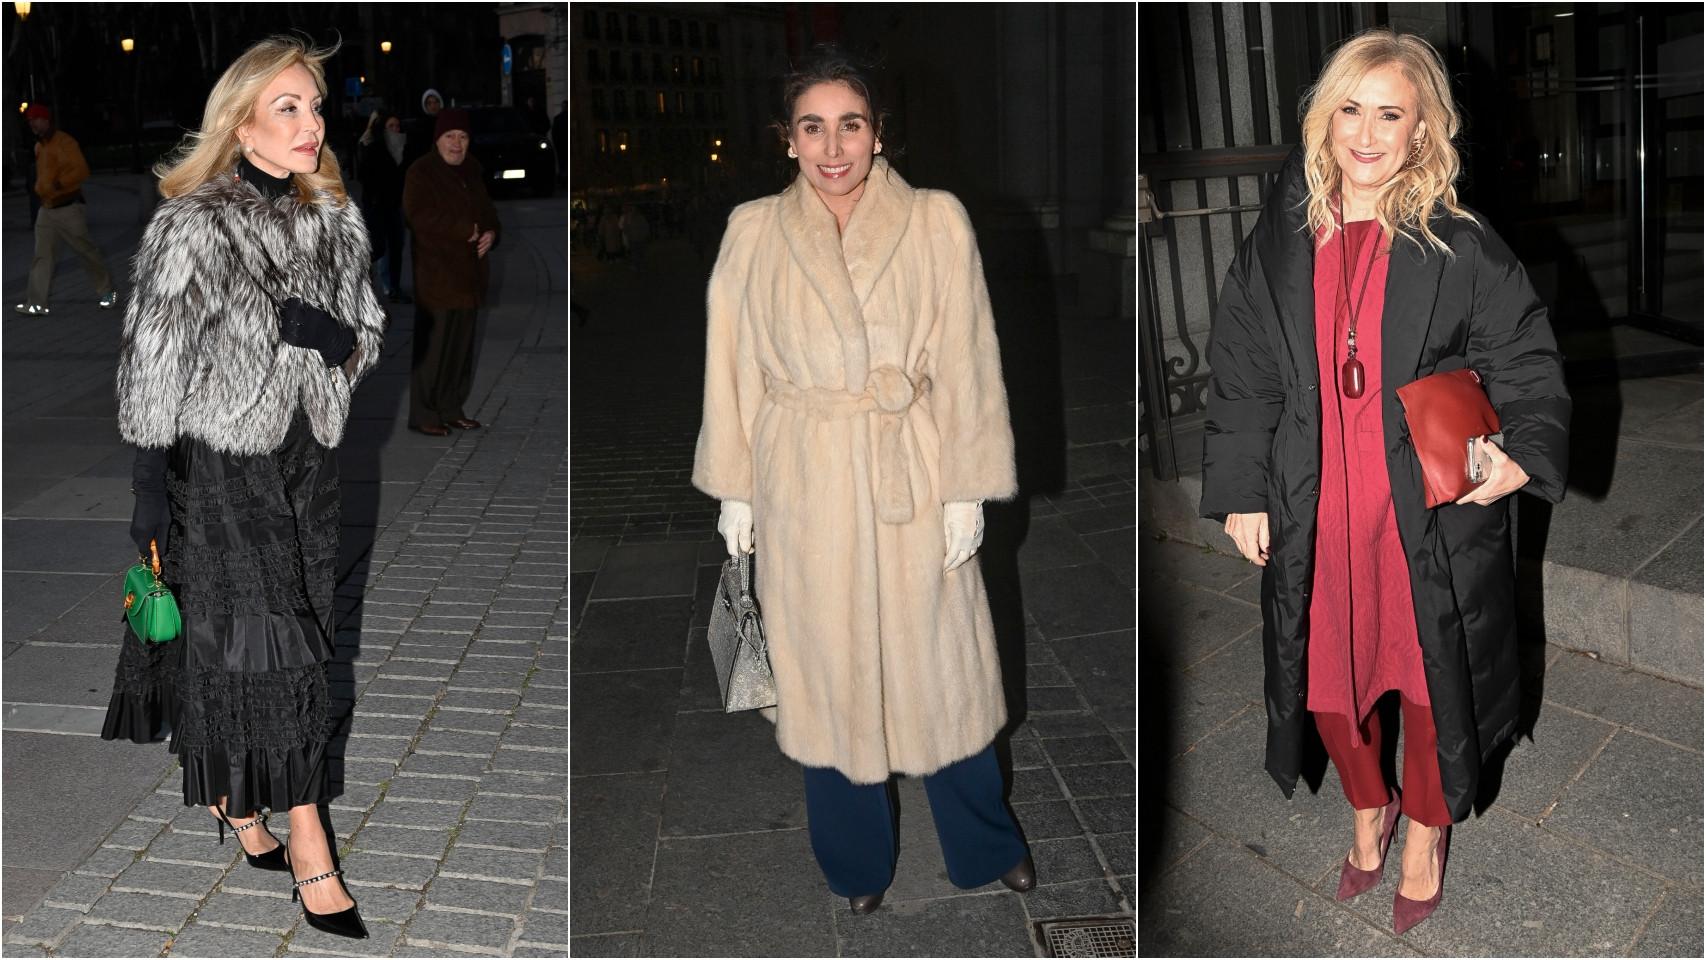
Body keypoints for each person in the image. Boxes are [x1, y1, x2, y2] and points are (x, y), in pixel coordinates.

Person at [1198, 29, 1570, 934]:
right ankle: (1369, 806)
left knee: (1433, 673)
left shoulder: (1462, 244)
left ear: (1423, 129)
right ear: (1324, 120)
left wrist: (1522, 449)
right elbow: (1242, 370)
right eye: (1350, 111)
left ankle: (1425, 834)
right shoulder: (1279, 242)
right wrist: (1243, 487)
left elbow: (1524, 356)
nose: (1366, 135)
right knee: (1326, 671)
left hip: (1424, 509)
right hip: (1314, 495)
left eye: (1390, 114)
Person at [691, 45, 1034, 916]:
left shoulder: (937, 222)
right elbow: (728, 367)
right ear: (789, 140)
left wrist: (968, 485)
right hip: (800, 476)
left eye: (851, 124)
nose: (833, 146)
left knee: (943, 669)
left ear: (880, 133)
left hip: (908, 469)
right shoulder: (754, 230)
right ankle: (855, 867)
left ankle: (984, 845)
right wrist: (736, 487)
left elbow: (968, 357)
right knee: (824, 681)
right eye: (814, 127)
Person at [101, 35, 387, 941]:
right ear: (242, 123)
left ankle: (235, 797)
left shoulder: (334, 217)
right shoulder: (190, 225)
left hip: (310, 464)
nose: (311, 124)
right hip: (222, 469)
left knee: (273, 638)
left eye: (315, 105)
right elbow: (150, 366)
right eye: (288, 108)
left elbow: (366, 338)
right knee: (284, 653)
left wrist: (328, 334)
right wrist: (149, 496)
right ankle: (309, 842)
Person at [401, 107, 499, 437]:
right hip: (437, 279)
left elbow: (489, 214)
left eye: (462, 137)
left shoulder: (472, 171)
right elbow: (417, 217)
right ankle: (424, 413)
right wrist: (463, 230)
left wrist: (491, 233)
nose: (456, 144)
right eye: (449, 137)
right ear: (437, 140)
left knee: (460, 350)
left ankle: (451, 408)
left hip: (469, 278)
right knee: (434, 352)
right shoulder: (421, 172)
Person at [16, 104, 118, 315]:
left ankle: (107, 291)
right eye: (30, 121)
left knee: (86, 252)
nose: (32, 124)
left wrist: (58, 185)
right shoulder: (40, 146)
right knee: (42, 256)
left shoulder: (64, 142)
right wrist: (41, 189)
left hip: (68, 208)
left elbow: (81, 170)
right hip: (47, 209)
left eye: (36, 119)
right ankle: (36, 302)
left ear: (46, 120)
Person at [358, 111, 411, 303]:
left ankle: (394, 287)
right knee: (379, 249)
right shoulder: (374, 148)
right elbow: (365, 176)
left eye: (397, 126)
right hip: (377, 207)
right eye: (391, 126)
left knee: (397, 247)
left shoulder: (404, 147)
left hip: (395, 205)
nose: (395, 130)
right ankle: (373, 286)